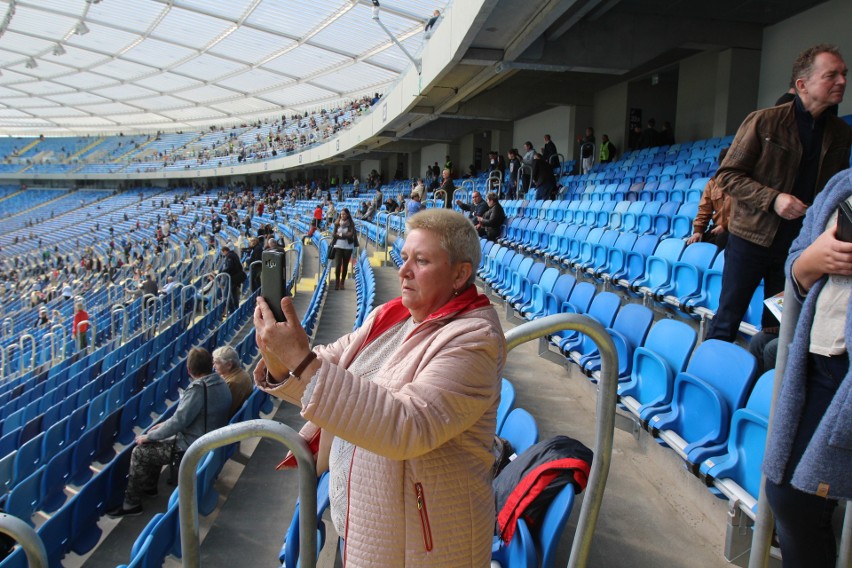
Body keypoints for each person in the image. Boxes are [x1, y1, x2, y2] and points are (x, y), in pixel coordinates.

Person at [252, 208, 504, 566]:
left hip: (421, 548)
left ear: (460, 274)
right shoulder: (391, 315)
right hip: (368, 528)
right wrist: (279, 359)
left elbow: (406, 425)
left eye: (421, 261)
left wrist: (300, 361)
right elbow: (322, 371)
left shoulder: (475, 340)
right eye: (404, 257)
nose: (403, 271)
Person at [705, 44, 850, 342]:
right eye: (831, 75)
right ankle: (711, 382)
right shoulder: (764, 121)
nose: (842, 82)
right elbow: (727, 176)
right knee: (727, 319)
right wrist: (774, 199)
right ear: (802, 85)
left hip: (799, 244)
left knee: (780, 328)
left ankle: (767, 385)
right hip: (750, 239)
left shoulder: (841, 134)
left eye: (844, 75)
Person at [763, 168, 852, 568]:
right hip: (820, 357)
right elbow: (796, 264)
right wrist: (810, 262)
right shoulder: (841, 184)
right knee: (787, 495)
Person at [107, 347, 231, 517]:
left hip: (191, 447)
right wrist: (163, 426)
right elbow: (182, 417)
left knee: (140, 451)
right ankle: (149, 487)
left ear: (188, 369)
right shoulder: (220, 382)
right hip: (207, 440)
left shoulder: (198, 389)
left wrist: (149, 436)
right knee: (157, 439)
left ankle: (131, 504)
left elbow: (179, 422)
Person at [686, 148, 732, 250]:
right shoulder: (713, 183)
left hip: (735, 229)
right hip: (717, 229)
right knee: (691, 245)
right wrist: (698, 231)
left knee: (722, 240)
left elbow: (744, 213)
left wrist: (725, 226)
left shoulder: (744, 183)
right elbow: (704, 210)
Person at [212, 345, 253, 418]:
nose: (214, 366)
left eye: (216, 363)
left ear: (229, 365)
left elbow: (223, 413)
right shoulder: (242, 373)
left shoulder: (232, 383)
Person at [330, 208, 358, 290]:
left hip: (347, 247)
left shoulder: (351, 224)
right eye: (341, 214)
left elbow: (350, 235)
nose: (342, 216)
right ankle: (337, 282)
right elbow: (334, 234)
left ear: (348, 215)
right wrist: (343, 235)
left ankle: (342, 282)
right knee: (338, 265)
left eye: (344, 214)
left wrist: (341, 234)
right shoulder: (337, 223)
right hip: (338, 246)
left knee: (345, 265)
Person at [219, 245, 246, 313]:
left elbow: (230, 267)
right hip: (236, 277)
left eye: (223, 253)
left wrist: (223, 272)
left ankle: (231, 310)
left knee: (226, 294)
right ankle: (235, 309)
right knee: (233, 294)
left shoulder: (229, 256)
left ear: (225, 251)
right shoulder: (234, 254)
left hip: (233, 277)